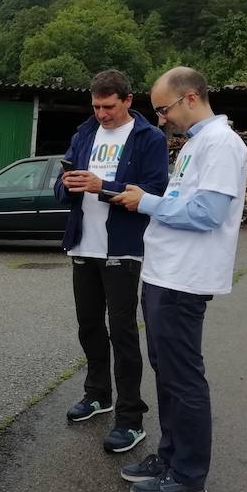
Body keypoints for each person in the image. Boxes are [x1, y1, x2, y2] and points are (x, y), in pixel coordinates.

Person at [113, 66, 247, 492]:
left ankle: (188, 475)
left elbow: (207, 214)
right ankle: (170, 456)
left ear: (190, 98)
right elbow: (182, 200)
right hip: (164, 272)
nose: (160, 119)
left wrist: (146, 201)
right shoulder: (195, 144)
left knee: (183, 376)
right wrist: (151, 198)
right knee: (166, 371)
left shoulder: (222, 145)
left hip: (184, 278)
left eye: (163, 109)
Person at [55, 69, 168, 453]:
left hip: (122, 247)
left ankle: (130, 418)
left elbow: (154, 192)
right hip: (84, 244)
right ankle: (98, 395)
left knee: (122, 333)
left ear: (127, 101)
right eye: (96, 106)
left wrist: (103, 187)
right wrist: (67, 185)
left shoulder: (148, 137)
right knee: (89, 327)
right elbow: (62, 183)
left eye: (108, 107)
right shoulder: (85, 132)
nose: (101, 114)